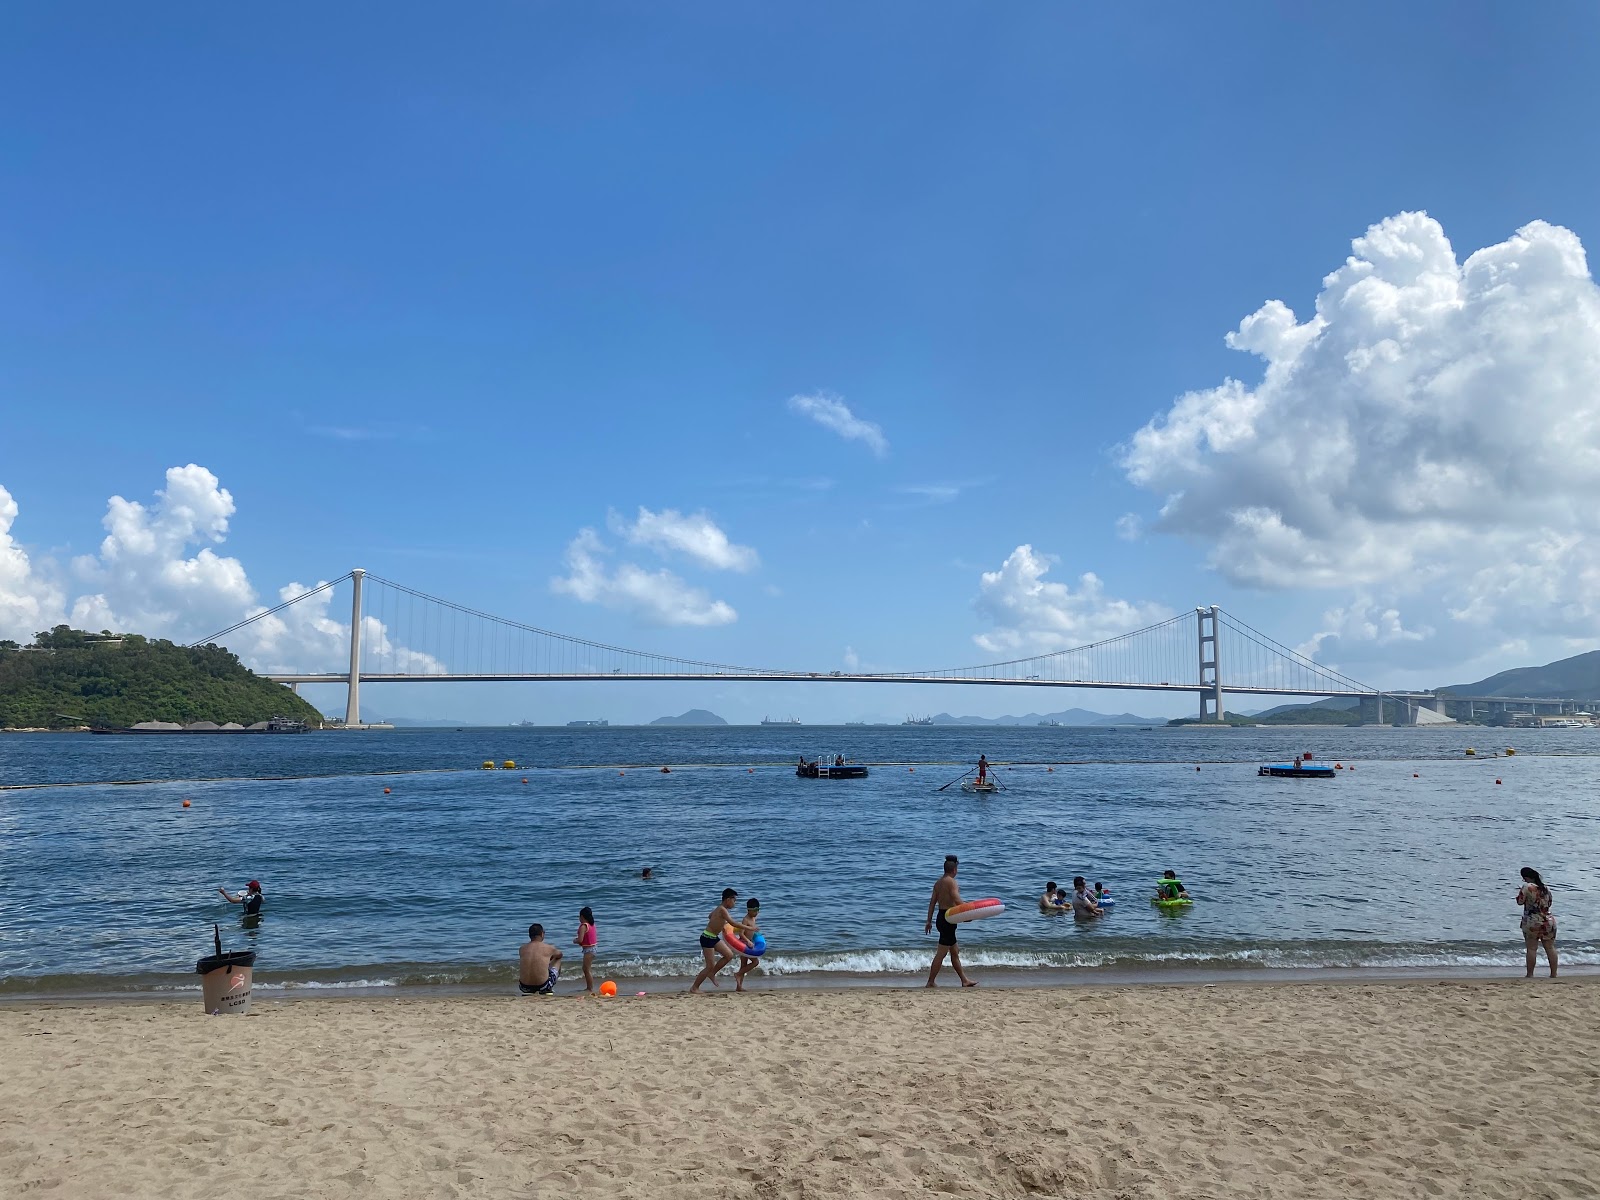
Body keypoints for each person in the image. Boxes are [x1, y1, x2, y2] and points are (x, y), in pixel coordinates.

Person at [924, 855, 977, 988]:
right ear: (954, 870)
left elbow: (932, 903)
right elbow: (957, 900)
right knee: (941, 953)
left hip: (941, 917)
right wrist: (968, 913)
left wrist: (928, 921)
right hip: (948, 919)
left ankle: (964, 980)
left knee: (954, 951)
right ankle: (930, 981)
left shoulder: (938, 883)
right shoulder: (951, 882)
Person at [690, 888, 741, 993]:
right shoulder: (722, 910)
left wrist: (719, 924)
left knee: (729, 955)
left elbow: (710, 916)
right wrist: (749, 928)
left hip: (713, 937)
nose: (735, 903)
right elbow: (733, 923)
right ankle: (694, 988)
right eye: (734, 900)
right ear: (728, 900)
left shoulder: (719, 909)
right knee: (710, 966)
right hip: (707, 937)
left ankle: (712, 973)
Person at [1517, 867, 1558, 978]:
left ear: (1525, 878)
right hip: (1548, 920)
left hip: (1532, 920)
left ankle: (1530, 974)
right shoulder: (1546, 888)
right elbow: (1549, 903)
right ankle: (1553, 974)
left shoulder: (1527, 887)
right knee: (1550, 948)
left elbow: (1520, 902)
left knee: (1531, 948)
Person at [518, 924, 563, 995]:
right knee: (558, 959)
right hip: (543, 986)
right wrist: (551, 958)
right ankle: (549, 989)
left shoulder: (522, 948)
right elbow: (560, 954)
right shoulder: (549, 948)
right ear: (542, 934)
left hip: (524, 987)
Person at [735, 898, 762, 992]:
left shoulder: (753, 918)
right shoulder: (745, 920)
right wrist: (748, 941)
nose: (757, 912)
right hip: (743, 943)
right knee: (755, 962)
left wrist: (755, 932)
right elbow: (741, 934)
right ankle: (738, 974)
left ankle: (739, 987)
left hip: (749, 943)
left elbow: (751, 930)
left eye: (758, 910)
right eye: (755, 910)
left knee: (743, 965)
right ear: (749, 910)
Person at [573, 906, 598, 993]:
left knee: (586, 969)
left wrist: (575, 941)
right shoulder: (591, 924)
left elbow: (580, 939)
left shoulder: (584, 926)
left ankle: (590, 988)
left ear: (582, 917)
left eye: (580, 916)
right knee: (586, 968)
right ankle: (589, 987)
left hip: (589, 950)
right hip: (592, 948)